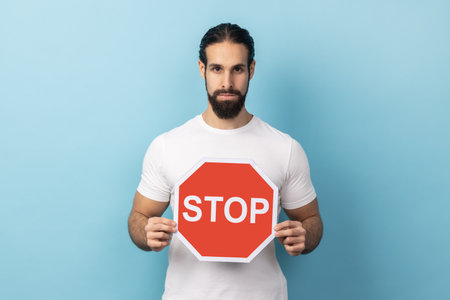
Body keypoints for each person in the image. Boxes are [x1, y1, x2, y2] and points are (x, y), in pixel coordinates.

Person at [128, 23, 323, 300]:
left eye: (237, 69)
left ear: (251, 70)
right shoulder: (167, 146)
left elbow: (312, 220)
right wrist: (145, 233)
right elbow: (139, 217)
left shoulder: (285, 148)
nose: (227, 83)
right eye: (217, 68)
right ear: (202, 69)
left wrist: (305, 235)